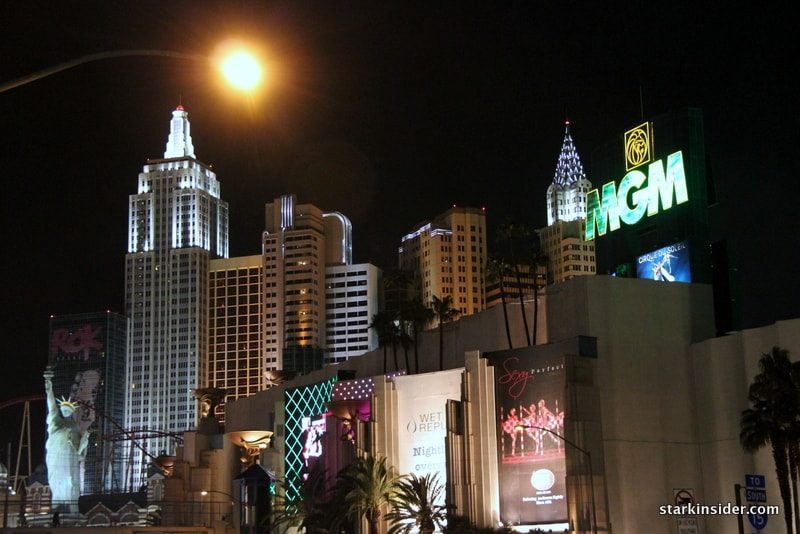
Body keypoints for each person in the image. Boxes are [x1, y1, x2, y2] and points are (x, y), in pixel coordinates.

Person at [44, 367, 89, 513]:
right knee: (56, 481)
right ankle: (57, 505)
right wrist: (49, 387)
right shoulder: (56, 422)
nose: (65, 412)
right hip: (55, 457)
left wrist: (84, 444)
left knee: (70, 480)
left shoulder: (74, 428)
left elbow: (80, 453)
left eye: (68, 410)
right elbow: (51, 406)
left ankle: (70, 506)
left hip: (70, 459)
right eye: (63, 410)